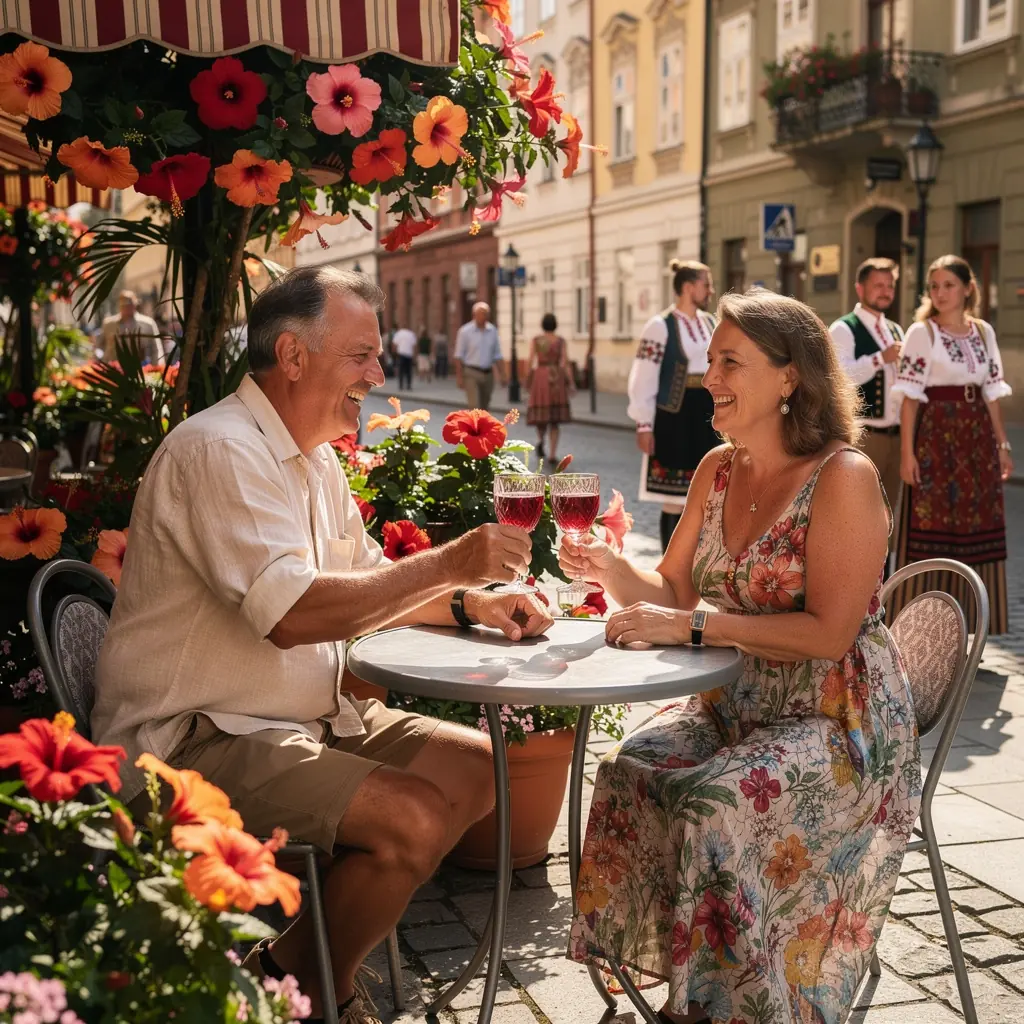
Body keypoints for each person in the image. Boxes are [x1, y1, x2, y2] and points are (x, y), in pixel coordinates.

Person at [92, 266, 553, 1024]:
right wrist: (452, 561)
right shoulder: (220, 450)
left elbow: (371, 582)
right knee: (412, 818)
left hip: (294, 720)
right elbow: (295, 615)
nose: (379, 372)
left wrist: (476, 600)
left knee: (476, 770)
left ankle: (289, 966)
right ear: (293, 356)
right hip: (192, 737)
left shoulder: (313, 457)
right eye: (361, 355)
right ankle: (314, 994)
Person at [561, 288, 919, 1024]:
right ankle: (679, 987)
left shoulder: (842, 476)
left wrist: (693, 628)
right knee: (626, 767)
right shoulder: (717, 468)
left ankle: (728, 1011)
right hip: (733, 703)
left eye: (730, 361)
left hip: (836, 724)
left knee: (710, 804)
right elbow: (674, 587)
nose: (709, 377)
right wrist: (605, 565)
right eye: (709, 359)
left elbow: (827, 633)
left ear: (790, 377)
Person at [890, 254, 1013, 634]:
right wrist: (907, 453)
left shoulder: (984, 332)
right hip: (935, 440)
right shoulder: (921, 333)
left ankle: (973, 625)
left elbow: (991, 393)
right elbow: (910, 398)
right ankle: (921, 625)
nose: (940, 293)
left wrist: (1002, 444)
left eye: (949, 285)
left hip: (976, 442)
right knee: (931, 527)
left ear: (968, 288)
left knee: (978, 525)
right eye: (934, 286)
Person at [628, 259, 719, 553]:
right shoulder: (659, 326)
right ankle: (672, 560)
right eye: (706, 284)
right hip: (675, 416)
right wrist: (643, 423)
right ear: (688, 287)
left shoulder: (710, 323)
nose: (711, 290)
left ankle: (700, 559)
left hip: (706, 414)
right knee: (674, 496)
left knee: (708, 492)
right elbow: (644, 376)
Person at [828, 258, 905, 548]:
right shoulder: (844, 328)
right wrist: (878, 358)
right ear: (860, 288)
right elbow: (840, 375)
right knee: (858, 514)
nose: (885, 291)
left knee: (889, 520)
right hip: (865, 436)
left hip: (896, 437)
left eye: (889, 286)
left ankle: (884, 585)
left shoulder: (896, 329)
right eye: (878, 285)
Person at [525, 313, 573, 467]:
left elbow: (530, 360)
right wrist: (570, 382)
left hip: (541, 376)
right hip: (556, 378)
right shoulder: (560, 341)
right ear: (556, 325)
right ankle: (552, 453)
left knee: (541, 414)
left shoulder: (536, 341)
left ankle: (541, 440)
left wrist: (527, 379)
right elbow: (565, 362)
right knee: (555, 418)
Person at [454, 301, 507, 410]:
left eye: (485, 313)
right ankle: (474, 427)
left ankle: (481, 427)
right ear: (474, 315)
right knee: (474, 406)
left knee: (484, 407)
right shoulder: (465, 331)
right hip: (471, 372)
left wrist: (503, 374)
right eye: (480, 313)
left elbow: (497, 354)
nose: (483, 316)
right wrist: (459, 377)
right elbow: (459, 355)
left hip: (488, 374)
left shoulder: (492, 331)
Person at [99, 290, 164, 366]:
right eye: (124, 305)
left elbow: (156, 349)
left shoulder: (148, 323)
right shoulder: (109, 324)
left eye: (130, 304)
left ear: (136, 304)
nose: (127, 307)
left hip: (142, 368)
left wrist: (157, 367)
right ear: (119, 305)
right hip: (114, 369)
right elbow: (99, 346)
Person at [391, 323, 417, 390]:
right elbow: (414, 346)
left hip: (401, 354)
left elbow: (394, 344)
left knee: (401, 370)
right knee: (409, 371)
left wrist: (394, 354)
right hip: (409, 355)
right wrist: (414, 355)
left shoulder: (399, 333)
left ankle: (401, 385)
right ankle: (408, 385)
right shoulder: (411, 334)